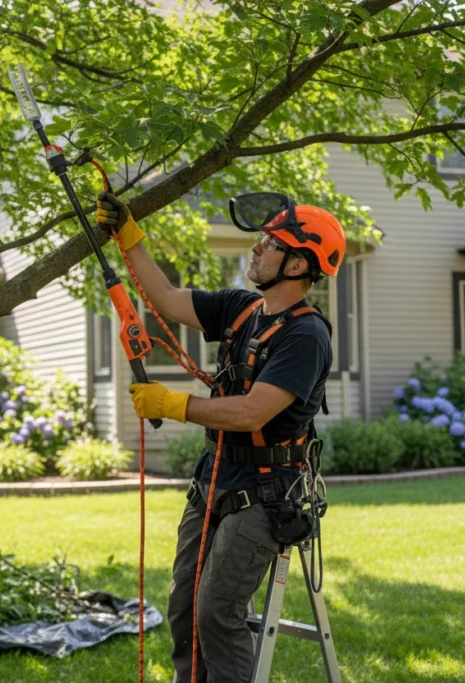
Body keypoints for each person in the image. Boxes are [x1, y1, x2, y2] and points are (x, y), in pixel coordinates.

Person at [96, 190, 345, 683]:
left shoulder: (306, 336)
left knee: (217, 613)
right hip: (215, 476)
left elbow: (254, 412)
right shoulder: (240, 309)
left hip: (266, 490)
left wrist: (174, 404)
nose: (255, 248)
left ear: (297, 265)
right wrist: (129, 235)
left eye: (270, 243)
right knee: (185, 606)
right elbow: (165, 300)